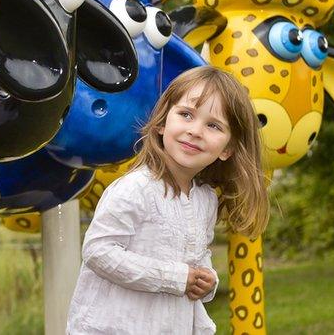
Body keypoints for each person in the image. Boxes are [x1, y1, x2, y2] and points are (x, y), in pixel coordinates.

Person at [66, 66, 270, 334]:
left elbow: (196, 254)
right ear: (162, 123)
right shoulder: (136, 188)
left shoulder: (204, 199)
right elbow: (98, 251)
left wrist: (205, 279)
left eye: (213, 125)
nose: (195, 131)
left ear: (227, 149)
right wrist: (176, 277)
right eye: (186, 114)